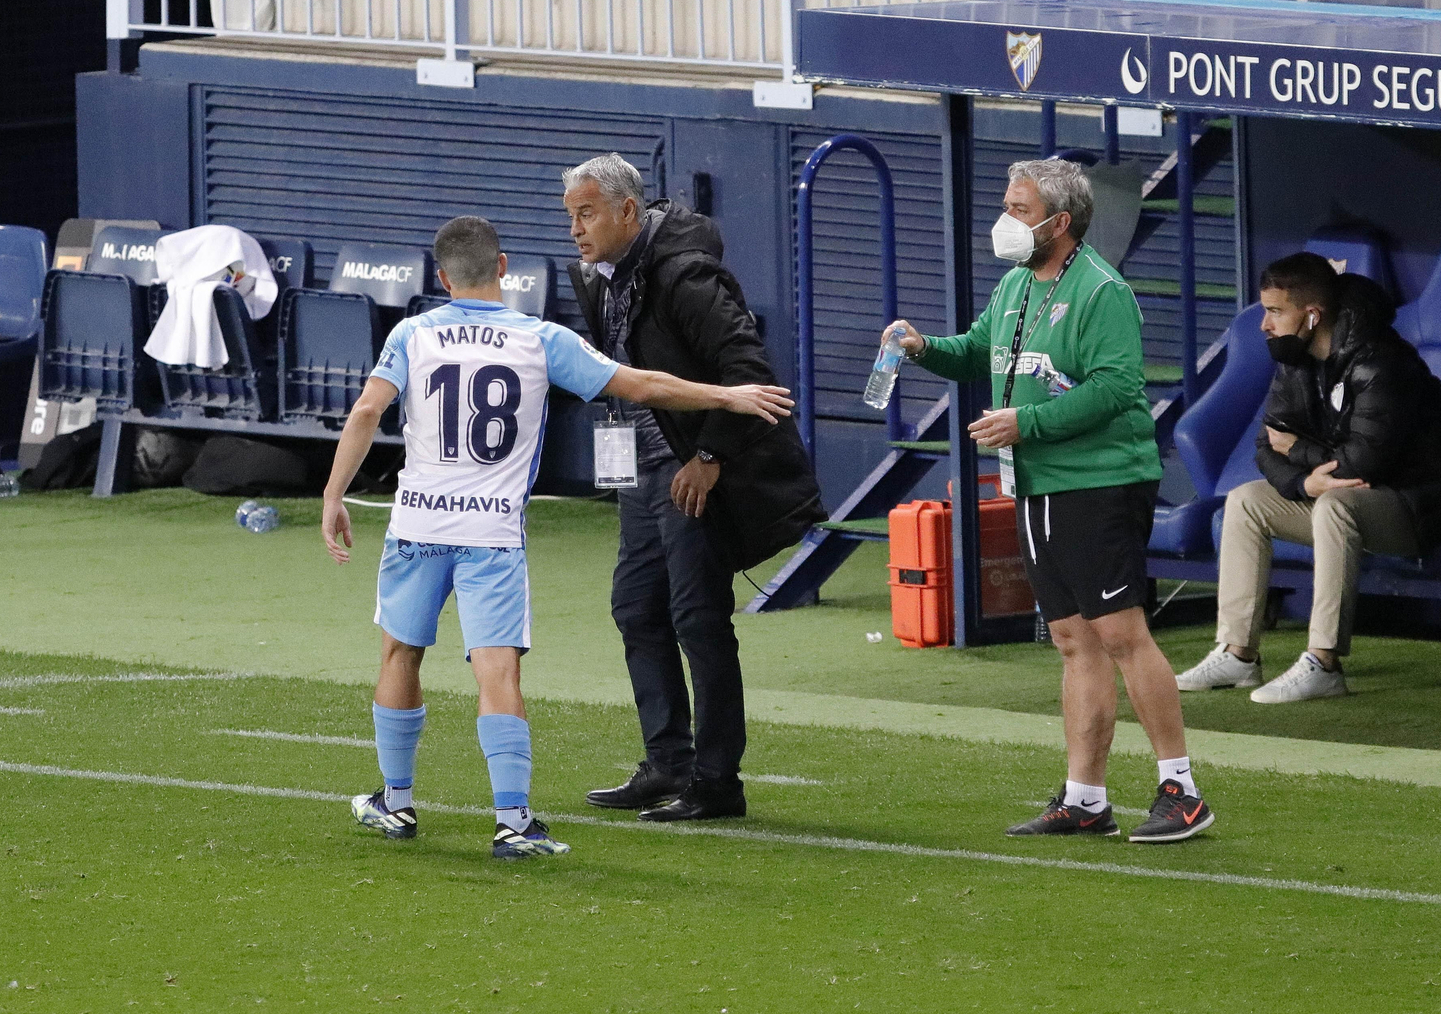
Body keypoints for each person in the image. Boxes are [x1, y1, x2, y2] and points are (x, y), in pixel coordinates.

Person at [320, 216, 795, 859]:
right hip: (491, 531)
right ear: (505, 267)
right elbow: (645, 384)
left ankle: (396, 803)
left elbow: (368, 411)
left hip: (418, 523)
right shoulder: (540, 339)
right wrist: (728, 396)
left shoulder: (413, 333)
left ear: (441, 277)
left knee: (400, 654)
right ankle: (513, 822)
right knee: (498, 670)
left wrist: (333, 495)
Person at [886, 158, 1214, 844]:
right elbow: (979, 351)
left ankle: (1182, 789)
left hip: (1099, 481)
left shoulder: (1103, 291)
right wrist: (922, 349)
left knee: (1122, 632)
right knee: (1072, 639)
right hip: (1035, 483)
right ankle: (1086, 796)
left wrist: (1025, 423)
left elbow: (1118, 388)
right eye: (1007, 204)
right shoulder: (1016, 285)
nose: (1006, 220)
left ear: (1060, 223)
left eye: (1020, 207)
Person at [564, 154, 824, 823]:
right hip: (642, 468)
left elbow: (747, 367)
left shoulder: (686, 274)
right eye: (570, 215)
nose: (575, 229)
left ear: (627, 211)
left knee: (698, 619)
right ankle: (668, 762)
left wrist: (708, 455)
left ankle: (716, 780)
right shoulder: (593, 275)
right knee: (634, 607)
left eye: (586, 213)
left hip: (693, 467)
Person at [1175, 254, 1441, 703]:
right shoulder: (1296, 358)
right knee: (1245, 501)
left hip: (1424, 507)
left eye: (1276, 312)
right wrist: (1304, 483)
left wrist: (1302, 458)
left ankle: (1323, 663)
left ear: (1312, 315)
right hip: (1354, 498)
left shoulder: (1382, 361)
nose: (1264, 324)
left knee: (1335, 505)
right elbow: (1267, 446)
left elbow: (1365, 464)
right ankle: (1238, 654)